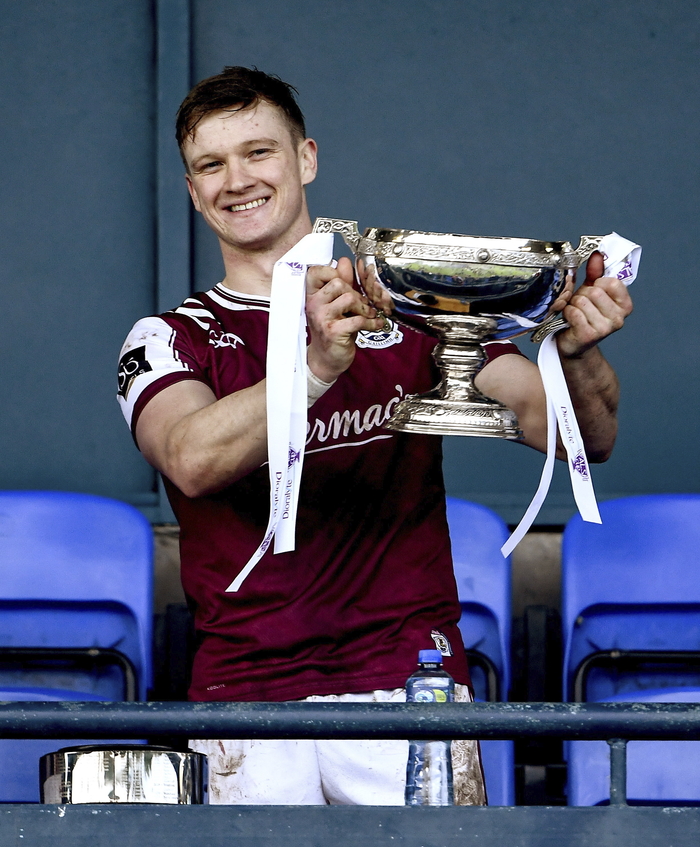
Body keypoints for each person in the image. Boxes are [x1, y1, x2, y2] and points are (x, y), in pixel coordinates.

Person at [117, 66, 633, 806]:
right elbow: (191, 459)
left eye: (258, 152)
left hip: (409, 681)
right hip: (245, 695)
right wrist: (317, 368)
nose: (237, 179)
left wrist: (578, 354)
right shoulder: (170, 337)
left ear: (306, 159)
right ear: (193, 190)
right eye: (210, 164)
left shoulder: (408, 308)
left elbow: (581, 433)